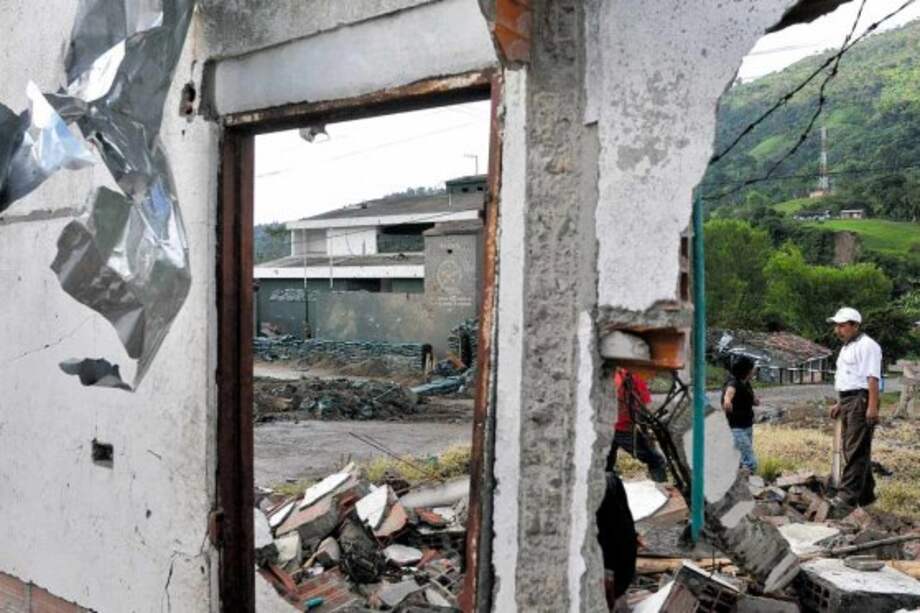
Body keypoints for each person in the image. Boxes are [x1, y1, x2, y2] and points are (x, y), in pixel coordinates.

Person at [828, 306, 882, 508]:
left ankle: (846, 497)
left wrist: (872, 407)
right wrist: (840, 402)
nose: (838, 330)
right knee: (855, 448)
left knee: (854, 449)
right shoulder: (847, 347)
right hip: (849, 399)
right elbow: (848, 378)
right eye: (837, 326)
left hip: (862, 399)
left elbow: (872, 378)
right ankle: (866, 495)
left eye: (842, 326)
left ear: (855, 325)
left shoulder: (868, 346)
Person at [606, 368, 668, 482]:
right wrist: (646, 433)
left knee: (606, 463)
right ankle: (662, 485)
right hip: (623, 428)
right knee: (655, 460)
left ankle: (607, 488)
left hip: (607, 426)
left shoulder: (616, 374)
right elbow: (643, 409)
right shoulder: (635, 378)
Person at [722, 356, 759, 474]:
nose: (754, 370)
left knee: (740, 459)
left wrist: (754, 401)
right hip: (737, 428)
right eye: (752, 368)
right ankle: (745, 483)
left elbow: (750, 398)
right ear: (747, 370)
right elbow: (729, 393)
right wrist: (727, 401)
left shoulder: (746, 383)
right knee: (750, 462)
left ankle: (740, 484)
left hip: (747, 426)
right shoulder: (734, 383)